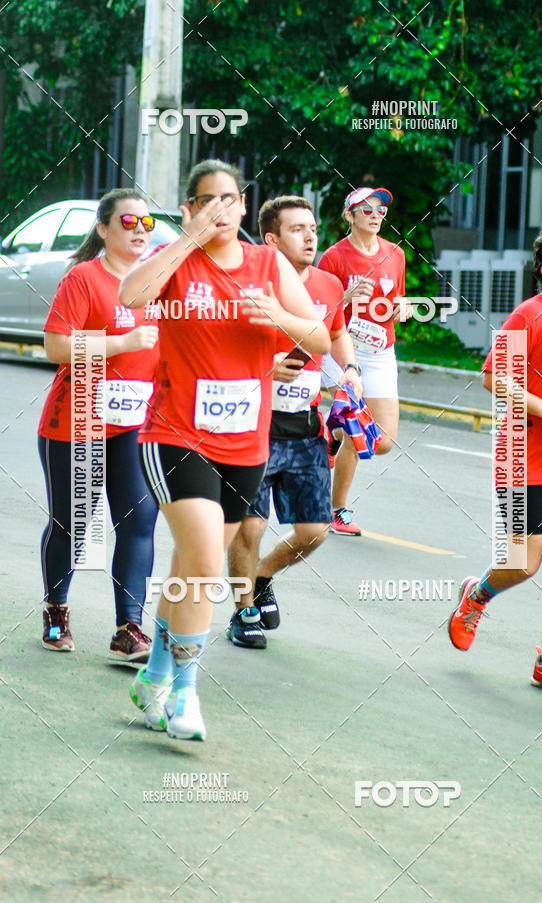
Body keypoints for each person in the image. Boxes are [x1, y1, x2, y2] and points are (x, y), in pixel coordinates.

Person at [120, 161, 330, 740]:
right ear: (190, 208)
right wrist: (186, 238)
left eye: (228, 199)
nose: (219, 208)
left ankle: (155, 679)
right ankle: (185, 693)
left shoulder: (267, 265)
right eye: (205, 200)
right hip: (176, 437)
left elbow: (319, 337)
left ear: (243, 207)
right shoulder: (179, 262)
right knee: (207, 562)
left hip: (247, 444)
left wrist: (281, 315)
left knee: (189, 567)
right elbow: (130, 295)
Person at [448, 224, 542, 694]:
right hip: (524, 454)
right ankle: (476, 597)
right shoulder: (529, 315)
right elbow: (495, 379)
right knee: (523, 562)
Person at [226, 195, 362, 649]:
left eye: (312, 228)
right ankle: (243, 611)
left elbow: (338, 333)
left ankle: (263, 574)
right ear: (271, 238)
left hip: (306, 426)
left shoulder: (326, 284)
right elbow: (219, 352)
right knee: (251, 526)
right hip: (256, 423)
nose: (310, 236)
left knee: (314, 531)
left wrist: (350, 370)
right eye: (297, 229)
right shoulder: (248, 284)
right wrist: (267, 366)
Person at [38, 188, 160, 662]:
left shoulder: (158, 284)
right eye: (128, 223)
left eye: (147, 224)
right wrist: (121, 341)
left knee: (139, 518)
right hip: (75, 422)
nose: (139, 231)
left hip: (134, 424)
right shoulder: (84, 279)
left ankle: (128, 627)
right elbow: (56, 348)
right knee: (74, 523)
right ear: (103, 229)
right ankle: (56, 611)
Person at [318, 186, 410, 535]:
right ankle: (337, 509)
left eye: (380, 210)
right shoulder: (334, 257)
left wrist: (404, 309)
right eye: (367, 210)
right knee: (357, 427)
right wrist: (345, 296)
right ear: (350, 215)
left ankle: (333, 431)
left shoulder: (395, 254)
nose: (375, 216)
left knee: (382, 440)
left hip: (379, 350)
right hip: (340, 348)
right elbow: (318, 310)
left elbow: (396, 303)